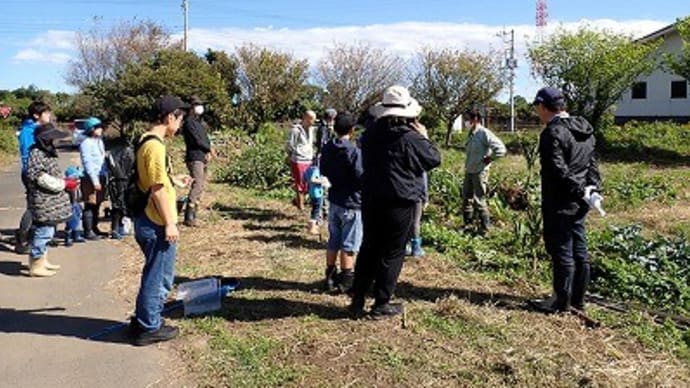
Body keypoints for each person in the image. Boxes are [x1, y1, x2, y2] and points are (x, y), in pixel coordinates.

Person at [349, 86, 441, 319]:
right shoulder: (409, 137)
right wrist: (424, 136)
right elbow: (433, 159)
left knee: (369, 247)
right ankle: (381, 303)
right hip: (399, 200)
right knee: (392, 251)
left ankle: (357, 298)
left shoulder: (369, 135)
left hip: (371, 197)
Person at [529, 87, 602, 314]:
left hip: (560, 201)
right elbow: (592, 165)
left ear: (542, 106)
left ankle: (560, 303)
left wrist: (579, 190)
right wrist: (592, 189)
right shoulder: (585, 130)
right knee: (580, 250)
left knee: (562, 251)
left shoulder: (552, 133)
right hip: (580, 202)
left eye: (537, 107)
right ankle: (577, 300)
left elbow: (557, 170)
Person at [129, 95, 192, 346]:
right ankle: (148, 327)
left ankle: (145, 318)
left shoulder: (146, 140)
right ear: (169, 117)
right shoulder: (155, 146)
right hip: (155, 222)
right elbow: (156, 189)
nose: (180, 124)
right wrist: (170, 223)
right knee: (159, 277)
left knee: (153, 274)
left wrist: (174, 179)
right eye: (180, 118)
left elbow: (155, 179)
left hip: (146, 218)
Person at [320, 112, 363, 293]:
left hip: (334, 200)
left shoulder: (328, 148)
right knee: (349, 244)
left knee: (334, 240)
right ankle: (346, 280)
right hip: (352, 202)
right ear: (352, 130)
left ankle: (330, 275)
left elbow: (323, 169)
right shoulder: (354, 151)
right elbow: (361, 175)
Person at [25, 123, 73, 277]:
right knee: (43, 231)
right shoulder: (36, 153)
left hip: (50, 201)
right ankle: (36, 264)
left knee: (49, 230)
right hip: (43, 200)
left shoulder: (46, 151)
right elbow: (39, 177)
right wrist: (63, 183)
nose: (54, 140)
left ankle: (42, 260)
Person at [15, 101, 52, 254]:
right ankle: (22, 240)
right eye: (46, 113)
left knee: (39, 206)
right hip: (33, 173)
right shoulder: (28, 131)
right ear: (37, 115)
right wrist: (34, 174)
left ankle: (31, 238)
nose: (49, 115)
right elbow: (26, 156)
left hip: (42, 172)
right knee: (33, 207)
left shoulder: (40, 129)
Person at [462, 109, 506, 235]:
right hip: (470, 170)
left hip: (480, 172)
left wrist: (490, 158)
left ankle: (485, 230)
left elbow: (501, 149)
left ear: (475, 119)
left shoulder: (484, 133)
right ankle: (468, 225)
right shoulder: (471, 134)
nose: (466, 122)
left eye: (467, 119)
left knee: (479, 200)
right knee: (466, 199)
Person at [182, 96, 212, 227]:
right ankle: (189, 216)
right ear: (191, 108)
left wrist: (208, 151)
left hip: (202, 156)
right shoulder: (189, 123)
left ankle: (194, 214)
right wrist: (209, 149)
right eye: (197, 105)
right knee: (197, 185)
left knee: (201, 185)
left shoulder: (198, 123)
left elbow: (204, 138)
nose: (200, 107)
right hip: (195, 157)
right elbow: (197, 140)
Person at [79, 117, 107, 240]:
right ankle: (88, 230)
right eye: (98, 127)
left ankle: (95, 228)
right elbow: (88, 163)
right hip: (90, 178)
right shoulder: (86, 143)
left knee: (97, 204)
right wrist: (94, 180)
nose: (101, 129)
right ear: (91, 129)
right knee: (90, 204)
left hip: (101, 176)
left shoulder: (99, 142)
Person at [106, 136, 135, 239]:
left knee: (118, 205)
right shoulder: (130, 152)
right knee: (120, 205)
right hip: (122, 181)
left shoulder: (112, 153)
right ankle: (116, 229)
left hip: (116, 180)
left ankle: (117, 228)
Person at [286, 110, 316, 211]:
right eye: (312, 119)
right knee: (300, 184)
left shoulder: (312, 130)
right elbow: (290, 145)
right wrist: (291, 157)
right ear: (306, 119)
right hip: (298, 159)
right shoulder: (295, 130)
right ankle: (300, 207)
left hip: (308, 159)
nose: (314, 121)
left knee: (308, 184)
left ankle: (297, 201)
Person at [406, 172, 428, 257]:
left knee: (406, 219)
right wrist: (426, 197)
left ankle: (406, 245)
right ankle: (416, 248)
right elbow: (424, 180)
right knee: (416, 221)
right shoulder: (419, 161)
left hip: (404, 192)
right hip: (416, 193)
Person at [63, 166, 86, 246]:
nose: (78, 179)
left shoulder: (77, 185)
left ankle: (76, 235)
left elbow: (80, 196)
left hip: (77, 204)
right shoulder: (68, 186)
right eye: (76, 177)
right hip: (70, 205)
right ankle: (68, 237)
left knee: (78, 220)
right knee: (70, 221)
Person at [303, 164, 327, 235]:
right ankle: (312, 228)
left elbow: (304, 178)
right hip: (318, 193)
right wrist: (322, 181)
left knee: (314, 209)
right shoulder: (316, 170)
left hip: (311, 192)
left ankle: (314, 226)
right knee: (316, 210)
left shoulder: (308, 169)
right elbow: (313, 179)